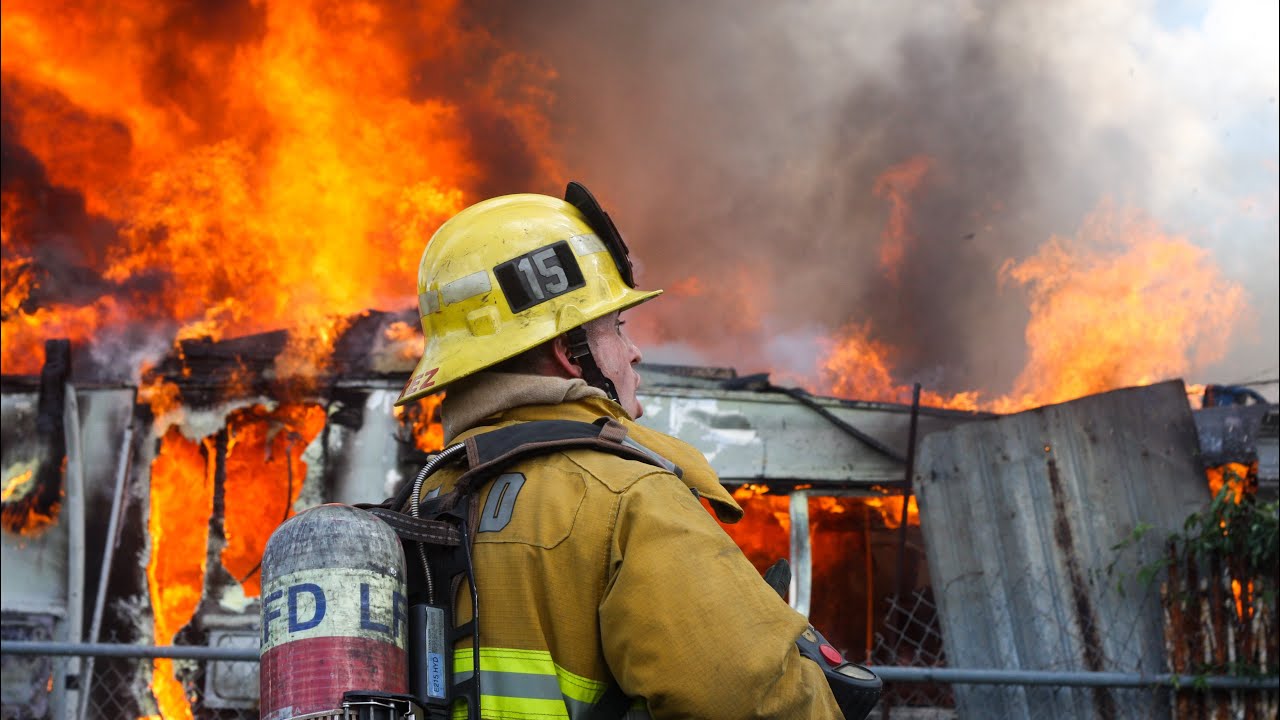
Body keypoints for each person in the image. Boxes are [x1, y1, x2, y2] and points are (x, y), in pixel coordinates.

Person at [395, 183, 845, 718]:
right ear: (570, 352)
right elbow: (757, 704)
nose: (633, 354)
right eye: (617, 329)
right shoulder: (629, 498)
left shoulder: (424, 500)